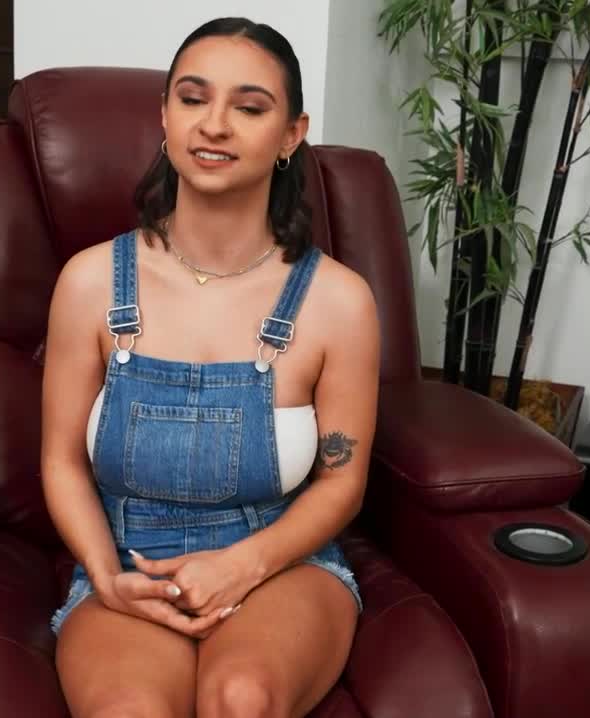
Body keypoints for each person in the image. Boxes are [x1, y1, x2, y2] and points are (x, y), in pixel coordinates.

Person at [40, 16, 381, 717]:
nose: (214, 124)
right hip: (129, 563)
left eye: (249, 108)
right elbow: (61, 462)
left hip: (279, 563)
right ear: (165, 116)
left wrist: (241, 566)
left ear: (291, 134)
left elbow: (342, 481)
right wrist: (105, 576)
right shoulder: (89, 282)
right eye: (193, 99)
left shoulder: (339, 302)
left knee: (241, 699)